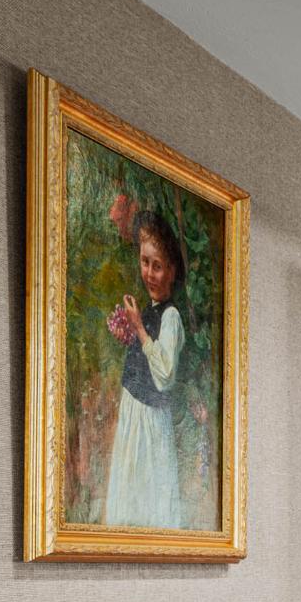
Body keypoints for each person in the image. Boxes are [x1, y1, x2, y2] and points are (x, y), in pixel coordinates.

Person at [102, 210, 186, 528]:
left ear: (172, 271)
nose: (149, 273)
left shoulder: (172, 317)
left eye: (158, 266)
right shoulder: (150, 310)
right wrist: (131, 331)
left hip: (151, 419)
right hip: (133, 410)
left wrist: (138, 329)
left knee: (150, 495)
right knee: (128, 489)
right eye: (145, 262)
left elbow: (164, 376)